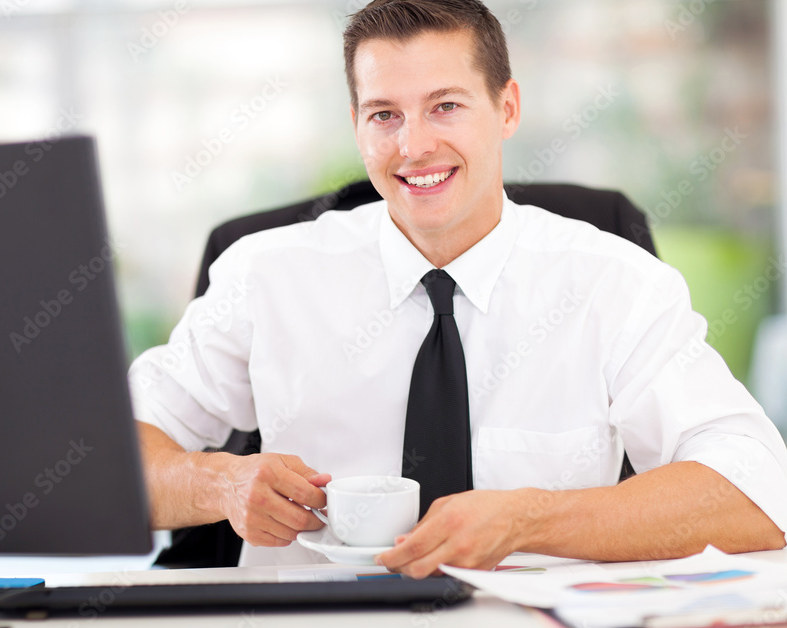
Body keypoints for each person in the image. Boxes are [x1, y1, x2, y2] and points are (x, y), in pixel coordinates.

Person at [130, 0, 787, 576]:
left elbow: (759, 491)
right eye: (385, 114)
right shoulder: (265, 274)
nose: (413, 145)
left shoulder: (613, 283)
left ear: (507, 108)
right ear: (357, 123)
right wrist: (218, 483)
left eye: (445, 106)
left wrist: (531, 520)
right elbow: (104, 458)